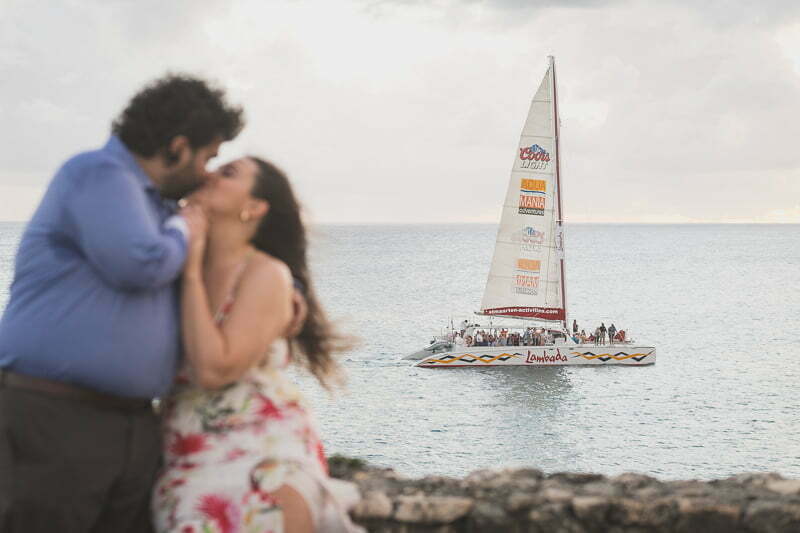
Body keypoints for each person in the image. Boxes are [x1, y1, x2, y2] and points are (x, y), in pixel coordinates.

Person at [0, 75, 245, 532]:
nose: (209, 172)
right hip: (57, 418)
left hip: (131, 423)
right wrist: (186, 230)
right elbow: (141, 263)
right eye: (208, 156)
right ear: (176, 146)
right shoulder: (97, 174)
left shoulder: (162, 209)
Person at [151, 157, 362, 533]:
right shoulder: (168, 260)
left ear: (254, 207)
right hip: (184, 458)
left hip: (260, 461)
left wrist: (191, 272)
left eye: (228, 172)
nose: (210, 174)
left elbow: (215, 369)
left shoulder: (265, 274)